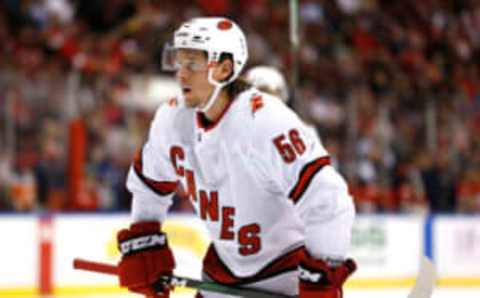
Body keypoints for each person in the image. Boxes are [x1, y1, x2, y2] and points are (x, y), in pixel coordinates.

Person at [116, 17, 356, 298]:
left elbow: (328, 199)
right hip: (221, 274)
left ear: (224, 69)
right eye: (179, 63)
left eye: (192, 64)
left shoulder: (267, 122)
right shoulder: (171, 119)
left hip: (283, 276)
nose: (181, 74)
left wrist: (321, 277)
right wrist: (145, 240)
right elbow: (149, 183)